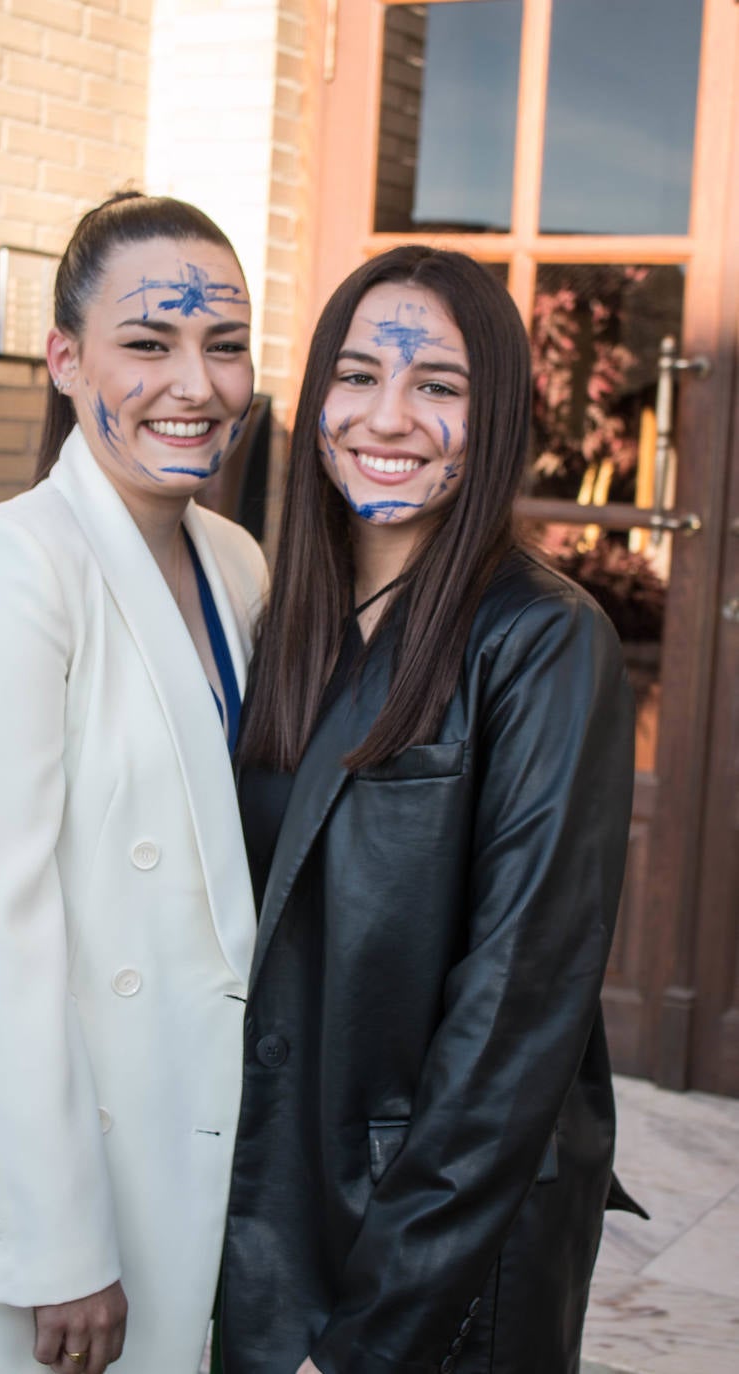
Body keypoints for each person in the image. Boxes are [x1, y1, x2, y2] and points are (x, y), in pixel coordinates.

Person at [0, 192, 267, 1374]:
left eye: (224, 345)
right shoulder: (6, 565)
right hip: (46, 1153)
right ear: (65, 359)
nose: (197, 382)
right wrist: (56, 1239)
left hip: (186, 1117)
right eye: (149, 343)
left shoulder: (237, 563)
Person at [221, 245, 643, 1374]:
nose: (387, 416)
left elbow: (516, 1014)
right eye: (356, 377)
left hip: (432, 1235)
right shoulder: (286, 624)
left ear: (494, 416)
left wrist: (373, 1334)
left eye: (438, 386)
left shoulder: (544, 641)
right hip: (274, 1186)